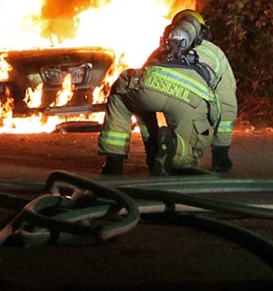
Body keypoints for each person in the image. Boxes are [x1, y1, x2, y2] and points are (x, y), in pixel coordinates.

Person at [98, 9, 238, 175]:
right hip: (190, 103)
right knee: (189, 155)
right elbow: (227, 103)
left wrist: (150, 135)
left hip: (149, 93)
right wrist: (221, 151)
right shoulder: (215, 53)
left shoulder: (162, 49)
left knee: (120, 95)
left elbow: (145, 88)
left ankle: (114, 161)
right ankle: (171, 148)